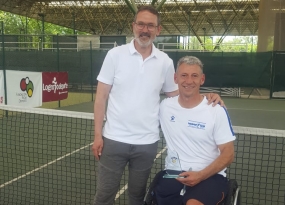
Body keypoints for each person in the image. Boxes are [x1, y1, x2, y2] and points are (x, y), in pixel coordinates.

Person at [92, 6, 223, 205]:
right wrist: (97, 135)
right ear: (133, 26)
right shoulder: (114, 55)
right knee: (103, 196)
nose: (145, 29)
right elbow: (101, 96)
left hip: (146, 144)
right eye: (141, 24)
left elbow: (179, 94)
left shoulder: (165, 62)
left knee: (137, 197)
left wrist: (206, 96)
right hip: (113, 140)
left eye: (150, 25)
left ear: (158, 30)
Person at [156, 56, 236, 205]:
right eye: (184, 75)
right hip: (173, 174)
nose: (188, 81)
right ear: (175, 78)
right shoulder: (165, 107)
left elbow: (228, 154)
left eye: (194, 76)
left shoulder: (216, 110)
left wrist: (200, 175)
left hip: (210, 176)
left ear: (202, 79)